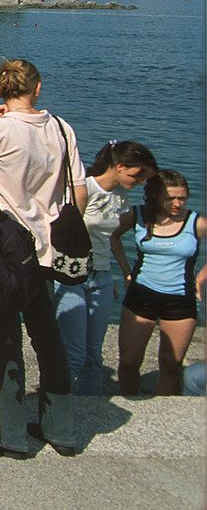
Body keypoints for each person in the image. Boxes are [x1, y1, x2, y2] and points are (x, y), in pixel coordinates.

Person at [0, 58, 86, 459]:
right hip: (48, 251)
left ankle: (10, 432)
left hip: (7, 252)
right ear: (38, 88)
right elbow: (78, 190)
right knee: (49, 340)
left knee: (5, 343)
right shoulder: (62, 129)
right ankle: (60, 428)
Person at [56, 140, 157, 395]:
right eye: (138, 175)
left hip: (101, 277)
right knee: (75, 354)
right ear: (120, 166)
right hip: (73, 275)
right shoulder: (84, 188)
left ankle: (89, 410)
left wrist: (123, 271)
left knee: (94, 356)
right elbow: (61, 230)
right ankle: (57, 414)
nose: (141, 182)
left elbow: (111, 237)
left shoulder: (120, 195)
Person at [115, 169, 206, 396]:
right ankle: (130, 402)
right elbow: (110, 235)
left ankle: (163, 413)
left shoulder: (195, 222)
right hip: (141, 296)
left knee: (171, 365)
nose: (177, 203)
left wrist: (201, 276)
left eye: (182, 198)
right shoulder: (137, 215)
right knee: (128, 362)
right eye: (170, 198)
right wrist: (125, 269)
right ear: (155, 195)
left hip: (180, 300)